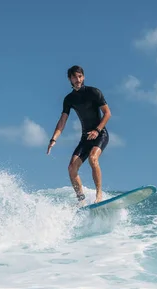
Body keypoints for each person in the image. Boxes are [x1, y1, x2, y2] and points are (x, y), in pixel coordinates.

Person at [46, 65, 112, 204]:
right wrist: (54, 139)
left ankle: (98, 195)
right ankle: (81, 200)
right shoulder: (69, 99)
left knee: (93, 158)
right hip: (85, 138)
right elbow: (62, 121)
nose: (78, 79)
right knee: (71, 168)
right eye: (75, 77)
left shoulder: (94, 92)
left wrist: (97, 130)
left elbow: (107, 113)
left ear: (83, 77)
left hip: (100, 134)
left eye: (80, 76)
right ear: (70, 79)